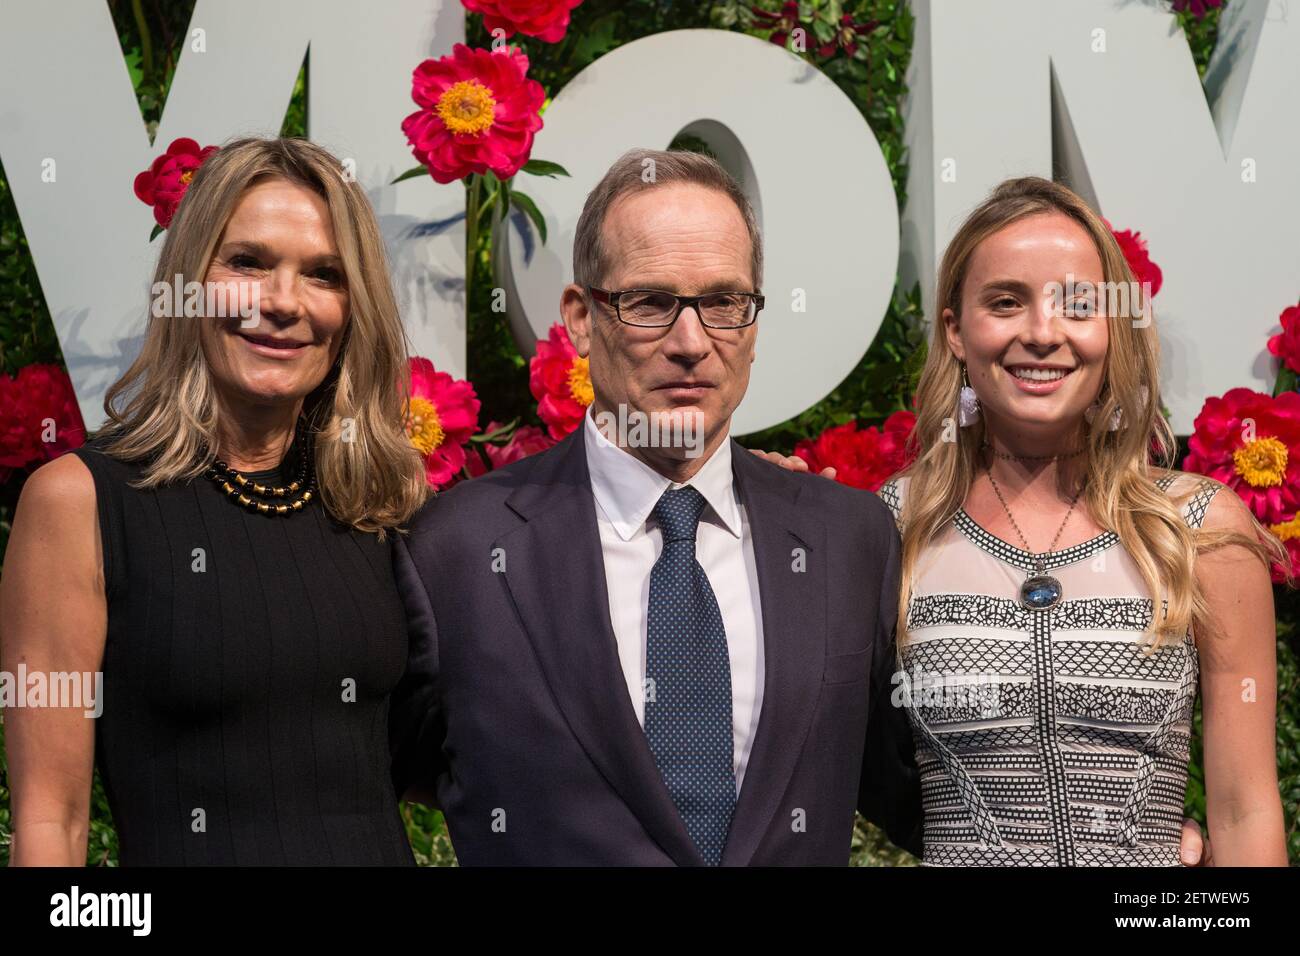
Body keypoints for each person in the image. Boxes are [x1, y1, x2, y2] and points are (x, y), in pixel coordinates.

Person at [389, 148, 922, 864]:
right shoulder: (454, 552)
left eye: (724, 303)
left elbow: (917, 795)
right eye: (650, 303)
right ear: (580, 319)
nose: (692, 343)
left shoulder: (847, 541)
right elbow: (378, 783)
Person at [1, 137, 428, 865]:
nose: (283, 302)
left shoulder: (375, 502)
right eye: (248, 263)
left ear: (353, 308)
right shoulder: (78, 503)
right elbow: (53, 823)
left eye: (324, 274)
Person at [874, 176, 1290, 865]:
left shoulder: (1200, 528)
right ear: (955, 330)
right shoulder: (891, 527)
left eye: (1079, 305)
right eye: (1006, 302)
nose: (1043, 333)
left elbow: (1246, 811)